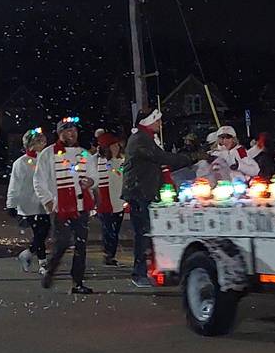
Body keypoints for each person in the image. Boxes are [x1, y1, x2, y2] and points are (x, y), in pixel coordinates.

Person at [122, 109, 194, 287]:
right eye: (157, 121)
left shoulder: (147, 138)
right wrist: (188, 158)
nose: (160, 124)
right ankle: (139, 273)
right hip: (140, 193)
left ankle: (154, 269)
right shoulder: (141, 139)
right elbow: (159, 157)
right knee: (143, 233)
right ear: (148, 122)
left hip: (146, 191)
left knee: (150, 232)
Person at [33, 117, 97, 294]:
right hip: (60, 207)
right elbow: (39, 180)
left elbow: (94, 175)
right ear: (60, 133)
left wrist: (91, 181)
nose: (72, 133)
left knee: (81, 244)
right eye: (68, 130)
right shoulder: (48, 154)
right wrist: (47, 200)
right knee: (61, 243)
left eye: (74, 130)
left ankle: (78, 281)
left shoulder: (84, 153)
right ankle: (50, 270)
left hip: (81, 205)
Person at [7, 128, 51, 275]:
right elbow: (15, 185)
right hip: (29, 204)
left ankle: (27, 254)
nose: (43, 144)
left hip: (44, 203)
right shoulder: (21, 163)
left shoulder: (46, 160)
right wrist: (11, 204)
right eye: (40, 142)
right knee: (39, 233)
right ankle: (43, 263)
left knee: (44, 232)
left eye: (43, 141)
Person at [95, 132, 126, 266]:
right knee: (109, 229)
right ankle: (108, 254)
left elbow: (122, 176)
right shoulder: (100, 162)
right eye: (112, 146)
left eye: (116, 145)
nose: (116, 148)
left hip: (119, 200)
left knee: (115, 229)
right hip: (105, 201)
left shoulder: (122, 161)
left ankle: (110, 254)